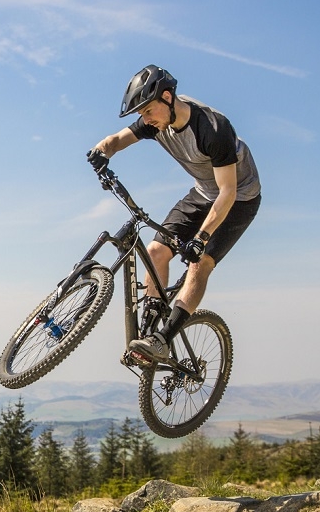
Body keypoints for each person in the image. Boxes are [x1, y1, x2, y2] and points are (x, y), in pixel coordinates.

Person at [87, 65, 261, 364]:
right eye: (141, 114)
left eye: (148, 111)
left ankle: (164, 340)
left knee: (200, 263)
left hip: (238, 198)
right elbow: (115, 140)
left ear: (167, 97)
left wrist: (201, 238)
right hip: (204, 192)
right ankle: (149, 330)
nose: (145, 119)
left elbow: (228, 192)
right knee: (156, 251)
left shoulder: (213, 129)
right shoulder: (155, 121)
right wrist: (101, 152)